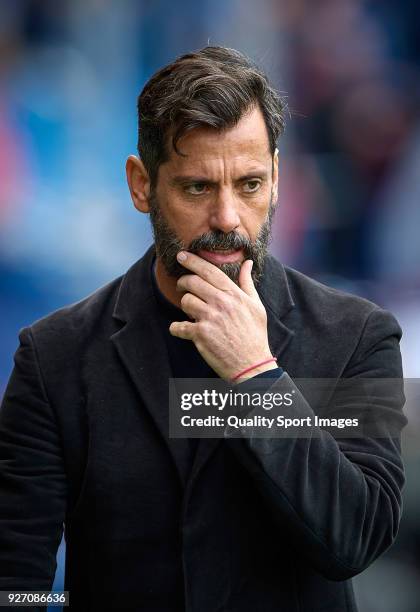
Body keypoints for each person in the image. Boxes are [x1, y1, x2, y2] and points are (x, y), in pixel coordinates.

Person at [0, 46, 407, 611]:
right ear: (142, 186)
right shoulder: (55, 356)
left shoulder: (356, 336)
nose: (227, 219)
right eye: (197, 188)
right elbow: (16, 577)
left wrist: (256, 376)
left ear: (278, 177)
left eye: (249, 184)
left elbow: (353, 539)